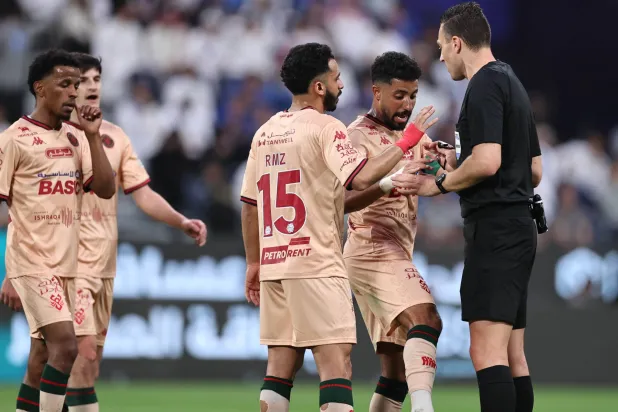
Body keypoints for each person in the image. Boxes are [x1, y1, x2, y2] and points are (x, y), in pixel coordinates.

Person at [240, 43, 436, 412]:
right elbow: (359, 178)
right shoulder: (327, 127)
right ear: (319, 86)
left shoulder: (265, 132)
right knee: (336, 367)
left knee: (279, 370)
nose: (341, 85)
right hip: (316, 263)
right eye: (336, 78)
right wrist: (408, 142)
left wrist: (254, 262)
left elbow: (250, 205)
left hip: (275, 265)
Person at [392, 3, 543, 412]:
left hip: (495, 231)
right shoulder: (511, 81)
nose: (441, 57)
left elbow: (488, 162)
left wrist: (437, 183)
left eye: (442, 47)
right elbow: (533, 170)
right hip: (519, 227)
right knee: (512, 355)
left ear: (457, 43)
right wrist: (455, 160)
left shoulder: (483, 85)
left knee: (485, 352)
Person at [59, 52, 206, 412]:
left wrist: (180, 221)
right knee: (79, 355)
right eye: (84, 80)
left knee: (89, 366)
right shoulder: (52, 136)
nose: (92, 87)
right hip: (68, 263)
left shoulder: (115, 137)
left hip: (104, 263)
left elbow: (142, 194)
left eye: (97, 79)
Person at [0, 49, 116, 412]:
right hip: (31, 263)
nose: (73, 92)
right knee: (66, 346)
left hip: (67, 265)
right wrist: (9, 273)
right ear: (40, 88)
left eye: (76, 85)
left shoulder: (76, 138)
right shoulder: (14, 139)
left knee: (40, 357)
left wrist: (93, 136)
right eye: (64, 84)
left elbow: (106, 189)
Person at [343, 51, 443, 412]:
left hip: (396, 247)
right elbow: (342, 200)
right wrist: (389, 180)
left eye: (413, 96)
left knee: (396, 373)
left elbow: (432, 178)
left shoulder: (410, 136)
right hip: (371, 244)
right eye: (399, 95)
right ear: (377, 92)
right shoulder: (356, 136)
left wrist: (437, 165)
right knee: (427, 318)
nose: (408, 104)